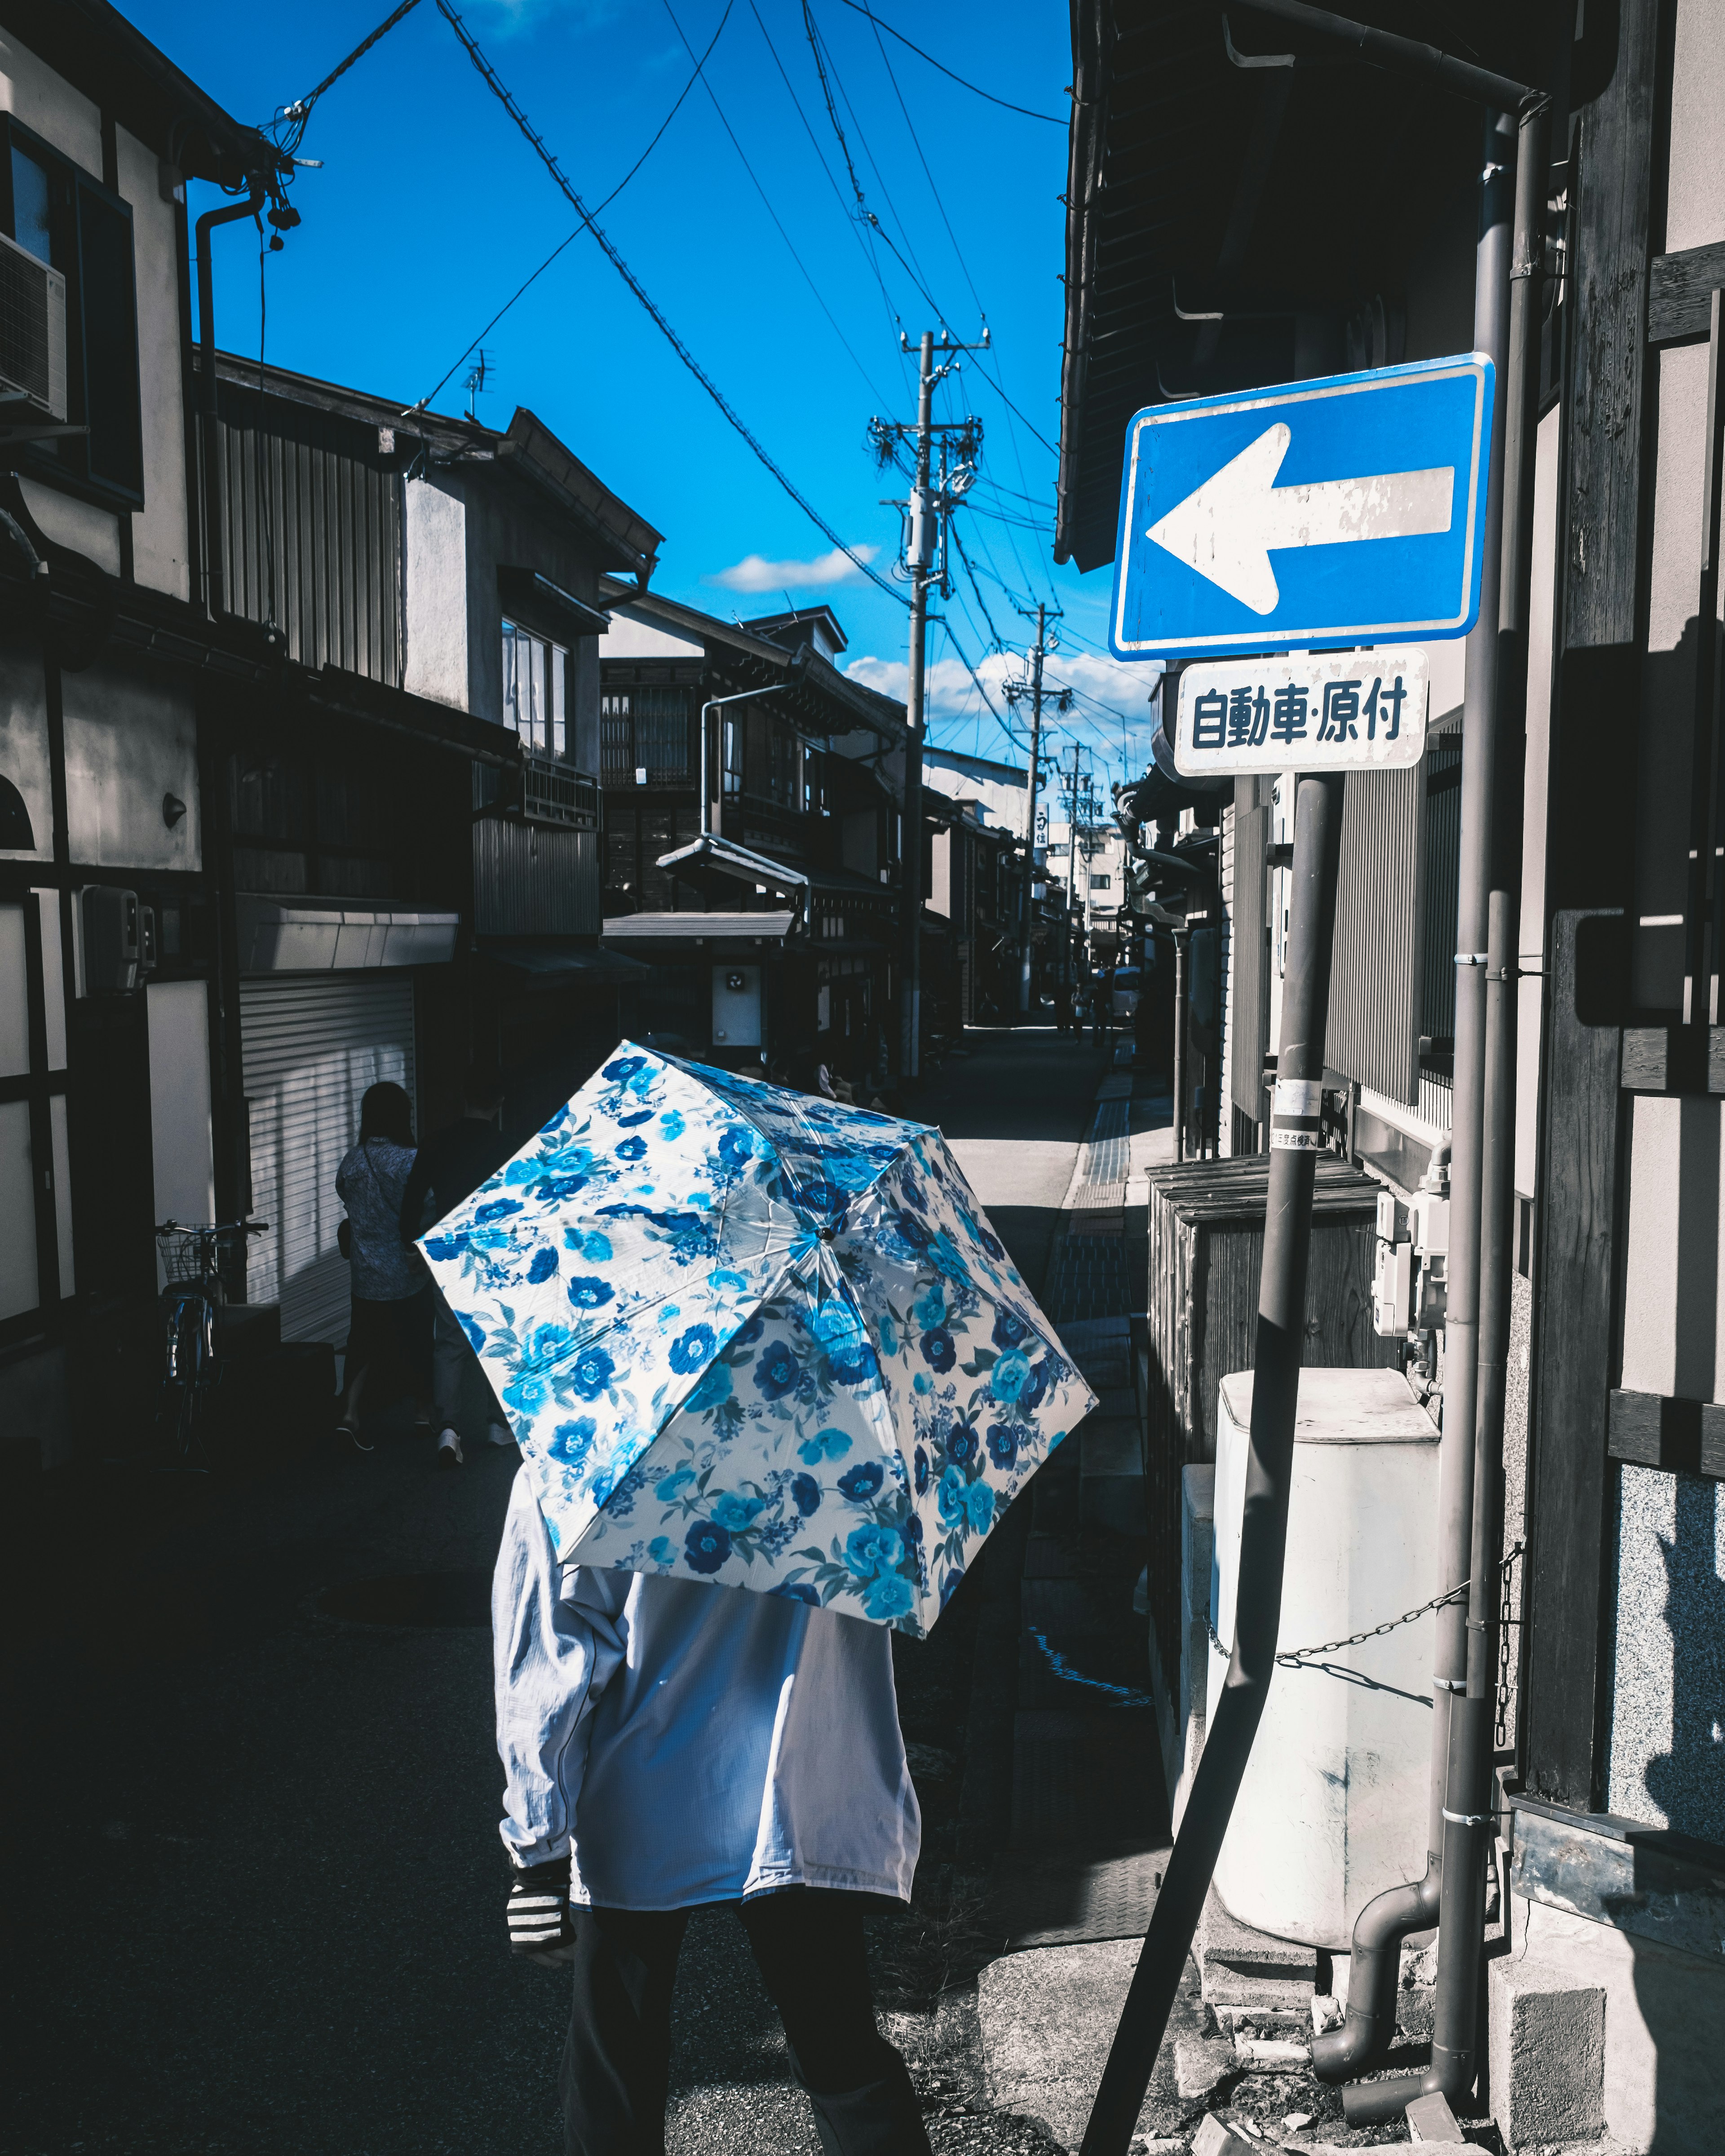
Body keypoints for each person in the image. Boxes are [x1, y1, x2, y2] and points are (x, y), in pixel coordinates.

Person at [496, 1471, 933, 2156]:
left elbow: (548, 1666)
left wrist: (538, 1850)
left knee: (616, 2066)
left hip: (638, 1792)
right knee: (839, 2049)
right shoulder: (850, 1440)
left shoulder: (578, 1452)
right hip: (800, 1784)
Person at [399, 1067, 518, 1470]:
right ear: (499, 1104)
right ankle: (498, 1426)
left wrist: (411, 1243)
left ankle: (449, 1428)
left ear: (463, 1098)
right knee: (496, 1340)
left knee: (449, 1342)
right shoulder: (508, 1147)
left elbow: (413, 1199)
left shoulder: (436, 1144)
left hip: (448, 1248)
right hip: (496, 1252)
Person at [333, 1081, 430, 1449]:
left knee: (362, 1343)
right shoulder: (410, 1160)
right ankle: (423, 1413)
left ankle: (350, 1414)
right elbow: (428, 1204)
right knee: (419, 1340)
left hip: (366, 1273)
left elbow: (344, 1195)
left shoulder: (353, 1160)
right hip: (408, 1270)